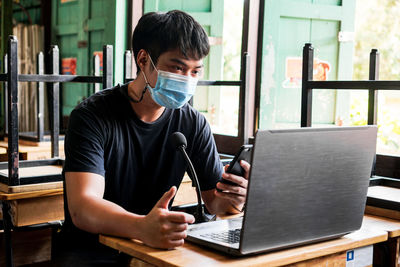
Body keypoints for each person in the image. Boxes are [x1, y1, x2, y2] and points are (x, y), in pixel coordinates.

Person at [53, 10, 249, 266]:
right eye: (177, 67)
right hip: (93, 251)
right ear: (143, 59)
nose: (186, 80)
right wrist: (141, 227)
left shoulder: (193, 122)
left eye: (195, 72)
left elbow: (213, 202)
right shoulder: (91, 117)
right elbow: (83, 209)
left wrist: (236, 197)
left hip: (155, 248)